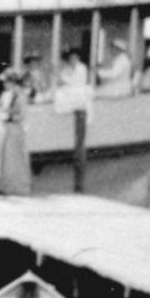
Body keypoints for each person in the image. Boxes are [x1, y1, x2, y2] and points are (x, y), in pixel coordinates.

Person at [55, 47, 92, 192]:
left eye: (74, 57)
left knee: (80, 141)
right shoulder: (68, 69)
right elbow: (62, 80)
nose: (72, 60)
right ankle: (78, 184)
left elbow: (74, 82)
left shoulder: (82, 68)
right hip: (73, 98)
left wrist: (64, 79)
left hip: (79, 101)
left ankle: (79, 183)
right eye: (71, 58)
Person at [0, 69, 33, 196]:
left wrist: (8, 113)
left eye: (6, 81)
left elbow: (21, 115)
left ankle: (18, 187)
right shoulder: (7, 94)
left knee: (15, 158)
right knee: (6, 158)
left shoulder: (20, 95)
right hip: (7, 127)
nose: (4, 84)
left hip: (15, 127)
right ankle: (6, 186)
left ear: (12, 82)